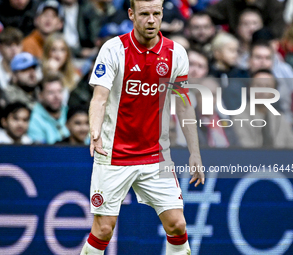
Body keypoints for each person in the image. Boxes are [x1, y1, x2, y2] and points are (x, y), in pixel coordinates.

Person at [79, 0, 205, 254]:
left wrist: (195, 153)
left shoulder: (175, 53)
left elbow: (183, 105)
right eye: (144, 14)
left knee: (178, 225)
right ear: (131, 14)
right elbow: (99, 98)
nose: (151, 20)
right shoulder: (113, 49)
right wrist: (95, 133)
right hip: (114, 154)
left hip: (155, 156)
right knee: (103, 229)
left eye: (156, 14)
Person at [234, 70, 293, 148]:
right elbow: (246, 151)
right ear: (249, 89)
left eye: (268, 86)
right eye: (258, 86)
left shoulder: (280, 118)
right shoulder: (239, 118)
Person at [27, 73, 69, 144]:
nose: (56, 96)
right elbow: (42, 151)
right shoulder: (33, 118)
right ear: (40, 95)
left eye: (59, 91)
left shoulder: (69, 113)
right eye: (50, 92)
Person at [42, 33, 80, 105]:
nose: (58, 54)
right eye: (53, 50)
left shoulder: (74, 77)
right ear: (47, 52)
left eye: (62, 50)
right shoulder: (39, 74)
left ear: (67, 54)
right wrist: (52, 73)